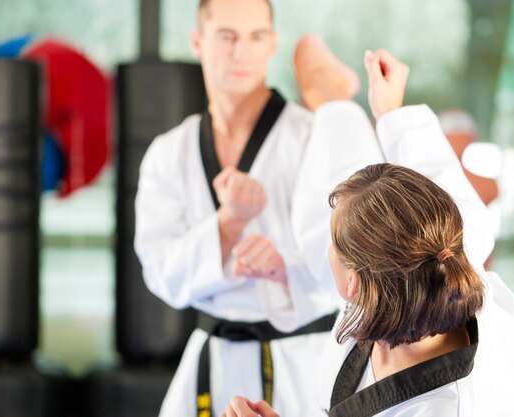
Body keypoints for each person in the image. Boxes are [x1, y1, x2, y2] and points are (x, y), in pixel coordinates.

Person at [220, 48, 514, 417]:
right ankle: (332, 99)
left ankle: (332, 100)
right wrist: (393, 113)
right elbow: (444, 184)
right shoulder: (451, 249)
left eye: (335, 246)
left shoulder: (451, 408)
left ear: (355, 282)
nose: (328, 250)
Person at [135, 1, 384, 415]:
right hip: (211, 358)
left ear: (273, 43)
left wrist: (281, 268)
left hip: (302, 360)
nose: (241, 52)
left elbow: (361, 263)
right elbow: (159, 272)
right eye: (227, 37)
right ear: (198, 42)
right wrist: (228, 224)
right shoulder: (168, 152)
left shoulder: (314, 137)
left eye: (256, 37)